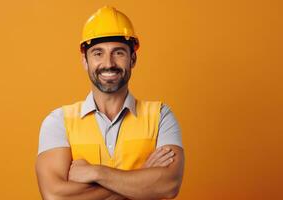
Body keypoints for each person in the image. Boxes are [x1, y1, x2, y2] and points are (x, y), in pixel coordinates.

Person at [36, 6, 184, 200]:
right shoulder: (58, 122)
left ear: (133, 59)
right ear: (85, 61)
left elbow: (168, 185)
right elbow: (55, 196)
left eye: (119, 53)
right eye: (98, 53)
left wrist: (97, 173)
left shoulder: (161, 116)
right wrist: (142, 176)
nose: (108, 63)